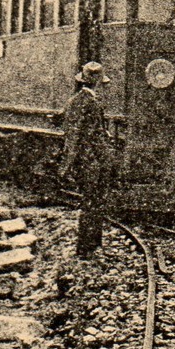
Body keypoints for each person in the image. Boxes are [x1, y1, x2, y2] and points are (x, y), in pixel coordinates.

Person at [60, 61, 114, 258]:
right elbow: (89, 136)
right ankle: (86, 249)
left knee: (91, 203)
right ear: (98, 82)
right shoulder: (90, 103)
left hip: (86, 160)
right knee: (93, 203)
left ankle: (91, 246)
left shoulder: (75, 101)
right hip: (91, 161)